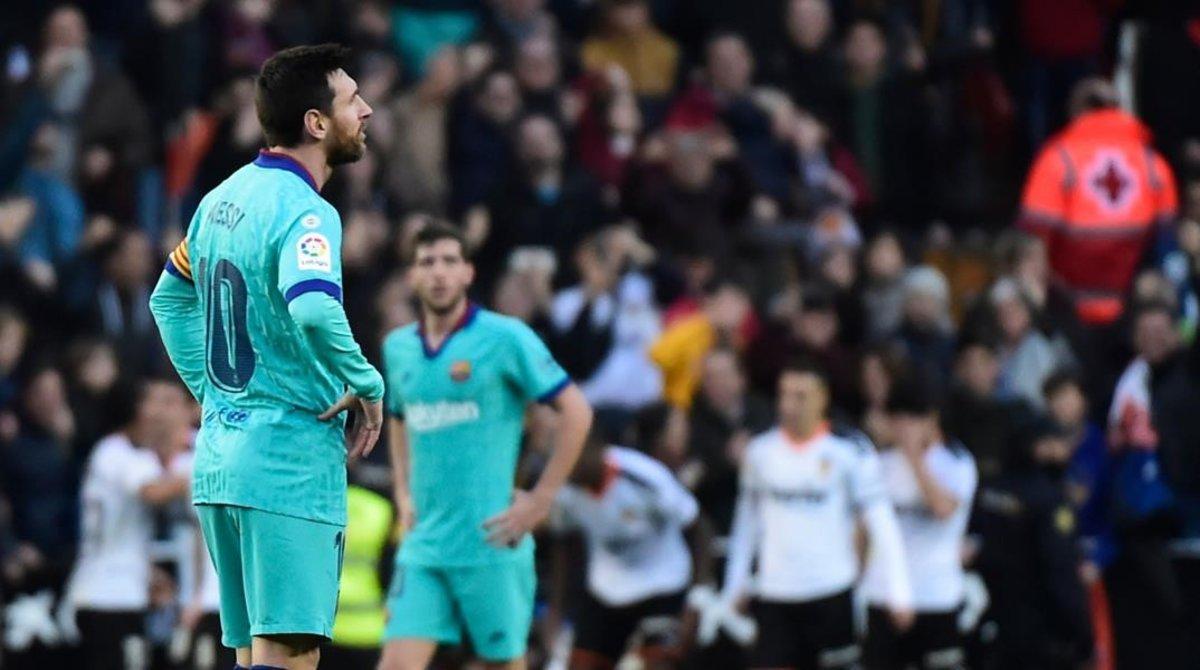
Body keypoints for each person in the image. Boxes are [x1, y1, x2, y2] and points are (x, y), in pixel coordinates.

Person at [149, 44, 386, 670]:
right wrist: (364, 379)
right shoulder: (308, 212)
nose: (366, 110)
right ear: (315, 122)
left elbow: (168, 299)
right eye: (351, 100)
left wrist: (214, 391)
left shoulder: (222, 199)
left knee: (257, 658)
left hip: (223, 464)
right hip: (287, 464)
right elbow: (311, 305)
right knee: (289, 655)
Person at [378, 223, 593, 670]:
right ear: (412, 278)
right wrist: (402, 490)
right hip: (425, 546)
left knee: (502, 664)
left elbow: (577, 411)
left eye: (449, 261)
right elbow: (399, 418)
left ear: (469, 272)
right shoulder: (398, 348)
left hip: (492, 540)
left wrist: (542, 498)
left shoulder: (505, 338)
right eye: (427, 263)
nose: (438, 273)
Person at [722, 359, 912, 670]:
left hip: (831, 591)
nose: (789, 405)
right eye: (784, 394)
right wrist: (736, 582)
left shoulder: (850, 450)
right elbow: (746, 522)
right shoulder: (760, 452)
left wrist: (899, 591)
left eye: (801, 395)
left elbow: (882, 522)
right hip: (776, 594)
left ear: (822, 398)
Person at [1017, 77, 1177, 329]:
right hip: (1135, 316)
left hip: (1067, 314)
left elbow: (1032, 245)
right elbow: (1167, 246)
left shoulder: (1056, 159)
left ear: (1076, 110)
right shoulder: (1153, 164)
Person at [63, 379, 192, 669]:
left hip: (123, 591)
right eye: (155, 402)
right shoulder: (118, 453)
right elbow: (154, 491)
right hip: (108, 593)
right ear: (138, 410)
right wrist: (210, 472)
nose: (161, 414)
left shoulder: (118, 452)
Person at [551, 428, 699, 669]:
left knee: (661, 663)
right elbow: (564, 547)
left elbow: (696, 524)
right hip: (608, 589)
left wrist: (698, 595)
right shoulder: (565, 491)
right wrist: (556, 613)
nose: (570, 467)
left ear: (595, 448)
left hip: (663, 583)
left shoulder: (642, 476)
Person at [862, 380, 977, 670]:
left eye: (909, 420)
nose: (902, 429)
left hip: (936, 596)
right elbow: (864, 529)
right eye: (896, 420)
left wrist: (915, 459)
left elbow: (943, 508)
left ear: (930, 419)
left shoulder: (956, 462)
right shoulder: (881, 464)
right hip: (883, 596)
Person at [972, 416, 1094, 669]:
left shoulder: (989, 490)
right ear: (1040, 448)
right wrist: (1083, 634)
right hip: (1042, 633)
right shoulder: (1050, 500)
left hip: (992, 625)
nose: (1066, 451)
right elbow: (1060, 572)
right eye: (1060, 443)